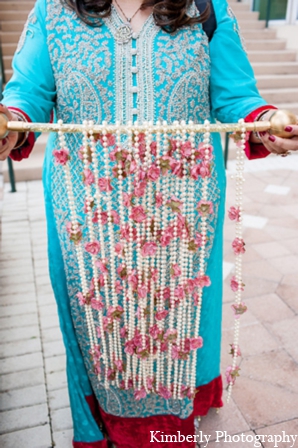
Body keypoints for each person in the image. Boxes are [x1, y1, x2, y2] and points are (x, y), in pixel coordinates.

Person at [0, 0, 298, 447]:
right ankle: (103, 423)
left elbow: (236, 97)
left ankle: (170, 425)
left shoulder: (205, 9)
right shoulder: (53, 12)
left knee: (178, 325)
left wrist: (263, 122)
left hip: (182, 217)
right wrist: (11, 123)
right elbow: (28, 94)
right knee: (98, 326)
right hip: (87, 217)